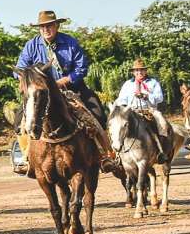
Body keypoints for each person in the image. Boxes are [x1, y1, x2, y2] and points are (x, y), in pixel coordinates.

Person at [15, 10, 117, 171]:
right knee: (19, 120)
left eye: (49, 25)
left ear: (56, 25)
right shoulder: (31, 46)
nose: (46, 29)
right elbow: (19, 70)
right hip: (42, 92)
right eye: (42, 27)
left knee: (97, 111)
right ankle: (26, 158)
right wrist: (31, 80)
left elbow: (81, 68)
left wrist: (63, 81)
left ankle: (105, 154)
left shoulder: (70, 42)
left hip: (72, 88)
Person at [115, 58, 174, 155]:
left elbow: (160, 98)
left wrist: (146, 96)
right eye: (137, 70)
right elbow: (121, 99)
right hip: (132, 110)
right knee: (117, 125)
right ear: (133, 72)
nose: (139, 72)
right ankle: (117, 154)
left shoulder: (153, 82)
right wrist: (123, 107)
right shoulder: (128, 84)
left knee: (163, 124)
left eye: (142, 70)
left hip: (149, 110)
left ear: (145, 71)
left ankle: (163, 151)